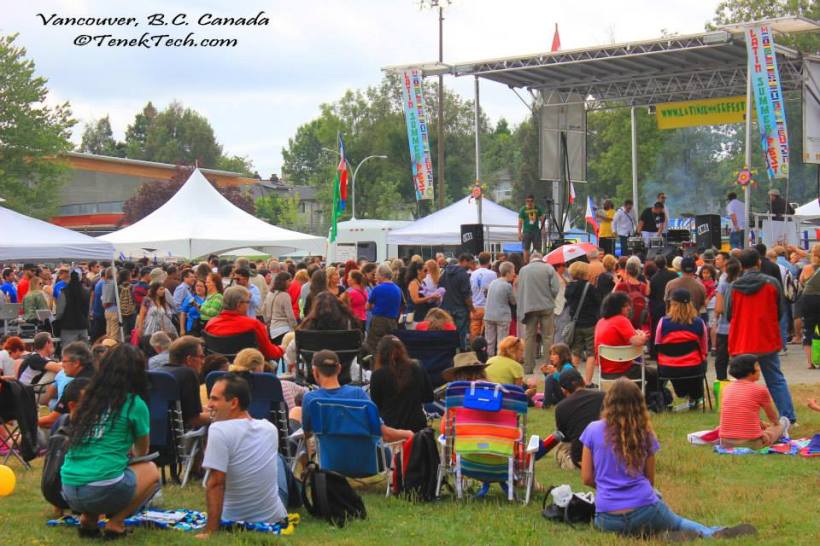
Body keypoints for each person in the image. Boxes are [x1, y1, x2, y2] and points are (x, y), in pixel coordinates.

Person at [581, 378, 755, 540]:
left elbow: (587, 477)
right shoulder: (645, 433)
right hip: (644, 508)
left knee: (638, 526)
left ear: (608, 401)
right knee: (677, 522)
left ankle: (650, 534)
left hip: (607, 518)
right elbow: (649, 480)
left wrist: (607, 486)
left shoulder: (592, 429)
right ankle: (710, 532)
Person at [61, 344, 160, 540]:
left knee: (99, 469)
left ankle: (88, 520)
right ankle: (116, 524)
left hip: (69, 488)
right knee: (150, 470)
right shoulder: (134, 404)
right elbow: (142, 450)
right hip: (102, 488)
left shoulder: (87, 399)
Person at [197, 373, 289, 539]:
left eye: (214, 399)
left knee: (278, 460)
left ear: (233, 403)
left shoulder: (218, 430)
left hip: (232, 518)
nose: (209, 405)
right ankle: (298, 500)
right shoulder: (269, 428)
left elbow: (216, 483)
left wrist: (210, 530)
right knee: (278, 460)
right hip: (275, 517)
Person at [726, 249, 796, 423]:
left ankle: (742, 418)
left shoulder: (734, 286)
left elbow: (729, 313)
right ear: (759, 262)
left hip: (742, 339)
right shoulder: (772, 284)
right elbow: (780, 311)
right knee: (775, 379)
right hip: (766, 338)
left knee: (742, 382)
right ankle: (788, 417)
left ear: (741, 265)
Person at [300, 350, 412, 443]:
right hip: (366, 464)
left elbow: (307, 434)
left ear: (314, 371)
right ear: (339, 368)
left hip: (328, 463)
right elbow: (385, 434)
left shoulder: (311, 399)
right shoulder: (358, 394)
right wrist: (408, 433)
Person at [719, 355, 790, 450]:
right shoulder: (760, 390)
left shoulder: (727, 388)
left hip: (725, 442)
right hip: (751, 443)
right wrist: (776, 424)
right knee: (782, 423)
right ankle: (782, 431)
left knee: (764, 426)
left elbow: (739, 412)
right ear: (749, 370)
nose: (760, 369)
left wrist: (759, 423)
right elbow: (772, 417)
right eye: (757, 366)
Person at [586, 292, 653, 388]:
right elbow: (639, 341)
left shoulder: (601, 322)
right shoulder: (621, 320)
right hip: (624, 370)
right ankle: (649, 399)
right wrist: (643, 335)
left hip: (605, 372)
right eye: (625, 306)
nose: (629, 308)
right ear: (617, 308)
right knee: (656, 374)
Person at [654, 289, 708, 407]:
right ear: (690, 305)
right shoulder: (699, 323)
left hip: (669, 368)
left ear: (672, 305)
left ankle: (682, 394)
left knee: (677, 370)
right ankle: (695, 396)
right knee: (701, 362)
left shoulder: (663, 322)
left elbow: (658, 344)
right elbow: (704, 348)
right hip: (693, 367)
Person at [369, 336, 434, 432]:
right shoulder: (417, 367)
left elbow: (375, 406)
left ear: (381, 354)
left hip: (391, 430)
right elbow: (428, 397)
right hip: (417, 428)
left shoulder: (377, 375)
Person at [204, 286, 283, 361]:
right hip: (248, 370)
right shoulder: (253, 325)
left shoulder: (210, 324)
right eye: (248, 302)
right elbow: (269, 353)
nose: (249, 305)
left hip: (220, 370)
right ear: (239, 305)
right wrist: (282, 349)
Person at [517, 252, 561, 374]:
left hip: (529, 308)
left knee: (529, 337)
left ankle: (528, 367)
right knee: (547, 337)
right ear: (541, 259)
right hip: (547, 307)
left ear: (531, 259)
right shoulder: (549, 268)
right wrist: (549, 297)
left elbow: (520, 289)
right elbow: (556, 288)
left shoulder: (523, 270)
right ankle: (547, 366)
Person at [553, 367, 604, 470]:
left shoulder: (561, 407)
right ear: (583, 381)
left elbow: (565, 437)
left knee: (559, 447)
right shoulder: (603, 396)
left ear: (563, 390)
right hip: (604, 454)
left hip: (579, 458)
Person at [37, 342, 95, 430]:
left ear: (76, 363)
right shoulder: (100, 375)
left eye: (64, 361)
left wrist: (30, 422)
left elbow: (51, 421)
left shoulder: (75, 386)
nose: (62, 365)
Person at [157, 335, 211, 428]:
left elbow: (184, 410)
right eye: (201, 357)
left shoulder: (158, 371)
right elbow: (193, 420)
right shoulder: (188, 373)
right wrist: (220, 416)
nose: (203, 361)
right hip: (179, 438)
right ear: (189, 359)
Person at [564, 261, 601, 373]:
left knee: (576, 352)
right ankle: (588, 381)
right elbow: (598, 301)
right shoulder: (590, 287)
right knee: (591, 353)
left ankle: (572, 380)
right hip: (590, 323)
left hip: (575, 324)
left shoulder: (569, 287)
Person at [713, 258, 742, 380]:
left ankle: (722, 380)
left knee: (722, 357)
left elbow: (719, 308)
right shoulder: (742, 284)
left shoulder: (723, 284)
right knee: (739, 355)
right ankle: (740, 380)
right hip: (740, 325)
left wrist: (716, 318)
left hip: (725, 327)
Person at [439, 254, 475, 350]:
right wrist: (472, 309)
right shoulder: (463, 274)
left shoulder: (445, 272)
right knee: (461, 334)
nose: (471, 267)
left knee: (448, 332)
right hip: (460, 309)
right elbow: (466, 295)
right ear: (463, 261)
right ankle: (461, 354)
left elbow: (440, 288)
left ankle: (449, 351)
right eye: (470, 263)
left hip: (446, 307)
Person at [365, 265, 402, 353]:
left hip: (379, 321)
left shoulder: (378, 289)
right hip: (393, 321)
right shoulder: (397, 289)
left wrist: (377, 306)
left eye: (376, 274)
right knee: (390, 347)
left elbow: (367, 306)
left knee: (375, 346)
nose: (375, 277)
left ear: (382, 275)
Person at [483, 261, 516, 357]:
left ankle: (489, 359)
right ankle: (500, 359)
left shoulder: (493, 282)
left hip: (489, 315)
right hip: (502, 316)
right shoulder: (507, 285)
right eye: (513, 271)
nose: (514, 274)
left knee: (489, 341)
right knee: (501, 342)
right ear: (508, 272)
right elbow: (513, 301)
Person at [54, 271, 90, 345]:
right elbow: (87, 309)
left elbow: (60, 311)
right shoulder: (85, 291)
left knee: (69, 351)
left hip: (68, 327)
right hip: (83, 326)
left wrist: (56, 319)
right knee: (83, 352)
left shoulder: (64, 292)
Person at [262, 272, 297, 345]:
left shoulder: (270, 294)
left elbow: (263, 309)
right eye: (289, 280)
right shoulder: (285, 296)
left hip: (271, 329)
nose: (291, 283)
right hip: (283, 329)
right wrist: (295, 327)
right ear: (284, 281)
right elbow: (290, 315)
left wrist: (267, 321)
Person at [614, 260, 649, 331]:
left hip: (626, 320)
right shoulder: (644, 286)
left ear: (626, 272)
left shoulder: (621, 286)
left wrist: (616, 284)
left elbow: (612, 300)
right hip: (641, 319)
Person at [469, 252, 497, 339]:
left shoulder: (473, 274)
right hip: (487, 307)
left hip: (475, 306)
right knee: (486, 333)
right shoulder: (493, 274)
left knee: (474, 331)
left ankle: (474, 349)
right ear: (489, 261)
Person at [541, 342, 575, 407]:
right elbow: (553, 384)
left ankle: (545, 405)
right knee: (550, 378)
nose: (551, 356)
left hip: (569, 397)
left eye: (554, 354)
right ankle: (545, 401)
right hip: (561, 396)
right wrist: (546, 373)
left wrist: (555, 373)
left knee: (550, 377)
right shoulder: (558, 367)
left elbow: (567, 385)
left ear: (562, 356)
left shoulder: (567, 367)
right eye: (550, 354)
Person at [518, 194, 544, 262]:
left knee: (538, 248)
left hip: (536, 231)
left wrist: (543, 229)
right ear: (525, 201)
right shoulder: (523, 210)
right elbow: (520, 223)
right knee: (526, 249)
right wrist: (519, 233)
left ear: (533, 201)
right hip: (526, 231)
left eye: (531, 201)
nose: (529, 202)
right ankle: (526, 263)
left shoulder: (538, 208)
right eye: (528, 201)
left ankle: (539, 262)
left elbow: (542, 219)